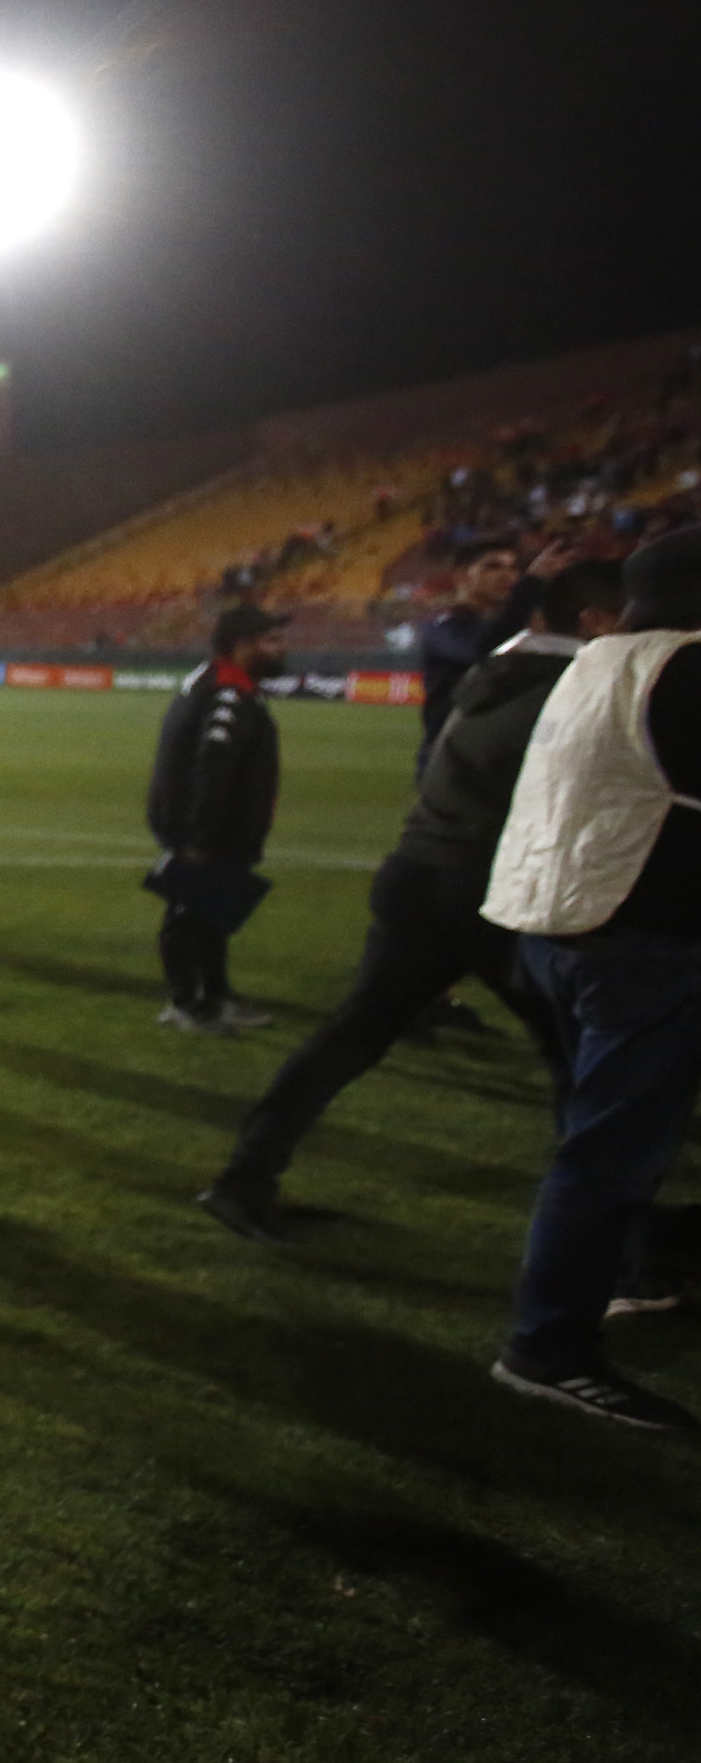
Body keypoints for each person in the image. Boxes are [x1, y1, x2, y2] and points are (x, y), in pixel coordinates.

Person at [193, 563, 623, 1239]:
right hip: (485, 889)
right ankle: (609, 1232)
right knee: (576, 1052)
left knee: (354, 1033)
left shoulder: (503, 670)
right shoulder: (580, 687)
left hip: (420, 874)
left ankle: (244, 1176)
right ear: (597, 621)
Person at [478, 526, 701, 1431]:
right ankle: (548, 1346)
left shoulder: (601, 658)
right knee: (609, 1153)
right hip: (641, 941)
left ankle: (636, 1270)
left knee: (603, 1137)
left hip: (561, 927)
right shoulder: (683, 668)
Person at [144, 606, 288, 1035]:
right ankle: (186, 1003)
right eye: (272, 641)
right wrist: (200, 837)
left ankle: (216, 995)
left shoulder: (228, 684)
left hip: (218, 830)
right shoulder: (227, 692)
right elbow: (213, 767)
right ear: (242, 646)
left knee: (213, 916)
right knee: (189, 916)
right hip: (209, 831)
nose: (282, 649)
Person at [418, 537, 569, 765]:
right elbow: (481, 649)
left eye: (512, 568)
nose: (507, 575)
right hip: (454, 761)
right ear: (461, 575)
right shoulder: (442, 627)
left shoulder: (517, 624)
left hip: (503, 756)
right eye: (492, 566)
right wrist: (531, 585)